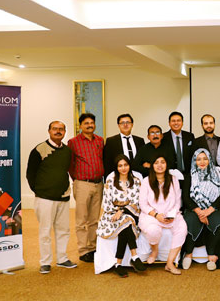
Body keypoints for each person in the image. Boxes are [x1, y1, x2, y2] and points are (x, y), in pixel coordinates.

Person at [26, 121, 77, 274]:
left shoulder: (67, 151)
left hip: (63, 196)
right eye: (55, 129)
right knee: (45, 231)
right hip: (44, 198)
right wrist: (39, 191)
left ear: (65, 132)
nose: (58, 131)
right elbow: (30, 174)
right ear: (49, 131)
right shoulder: (39, 149)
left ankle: (62, 259)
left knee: (63, 230)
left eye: (61, 129)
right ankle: (45, 262)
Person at [96, 154, 146, 277]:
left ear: (129, 166)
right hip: (112, 213)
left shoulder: (136, 181)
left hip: (131, 212)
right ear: (116, 168)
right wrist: (118, 211)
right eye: (120, 166)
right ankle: (133, 257)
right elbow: (107, 203)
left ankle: (119, 264)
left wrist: (122, 210)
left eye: (126, 165)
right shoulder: (111, 181)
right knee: (125, 223)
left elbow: (135, 203)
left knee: (127, 219)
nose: (123, 168)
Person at [138, 154, 187, 275]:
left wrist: (171, 215)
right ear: (152, 166)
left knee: (182, 228)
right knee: (153, 230)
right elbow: (143, 204)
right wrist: (156, 215)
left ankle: (169, 263)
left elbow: (177, 201)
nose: (160, 165)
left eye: (162, 162)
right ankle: (154, 251)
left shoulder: (173, 179)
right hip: (151, 215)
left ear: (167, 165)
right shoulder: (146, 181)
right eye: (156, 163)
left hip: (170, 214)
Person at [68, 112, 105, 263]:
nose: (90, 125)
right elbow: (70, 164)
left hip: (99, 183)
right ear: (80, 125)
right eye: (86, 123)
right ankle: (83, 250)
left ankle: (93, 248)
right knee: (82, 219)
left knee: (94, 219)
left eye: (92, 123)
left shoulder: (100, 140)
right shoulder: (73, 142)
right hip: (82, 183)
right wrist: (77, 180)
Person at [181, 149, 220, 271]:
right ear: (194, 161)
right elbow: (186, 197)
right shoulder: (190, 176)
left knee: (219, 222)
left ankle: (211, 254)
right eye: (198, 159)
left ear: (210, 160)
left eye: (205, 159)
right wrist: (199, 211)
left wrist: (209, 210)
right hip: (194, 209)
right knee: (189, 221)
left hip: (213, 208)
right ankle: (188, 253)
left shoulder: (217, 175)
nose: (202, 162)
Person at [103, 113, 145, 179]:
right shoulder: (111, 141)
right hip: (118, 178)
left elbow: (142, 160)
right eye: (122, 123)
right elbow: (107, 163)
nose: (125, 125)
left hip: (137, 177)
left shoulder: (140, 141)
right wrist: (107, 180)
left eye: (128, 122)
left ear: (132, 124)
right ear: (118, 125)